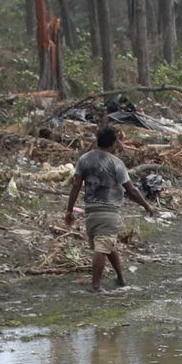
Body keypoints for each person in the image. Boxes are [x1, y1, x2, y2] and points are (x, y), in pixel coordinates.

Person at [63, 125, 155, 292]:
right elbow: (132, 190)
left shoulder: (84, 159)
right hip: (109, 211)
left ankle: (120, 278)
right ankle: (96, 286)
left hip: (90, 212)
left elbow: (76, 185)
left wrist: (69, 210)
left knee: (108, 245)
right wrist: (147, 206)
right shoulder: (116, 163)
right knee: (102, 247)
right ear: (113, 143)